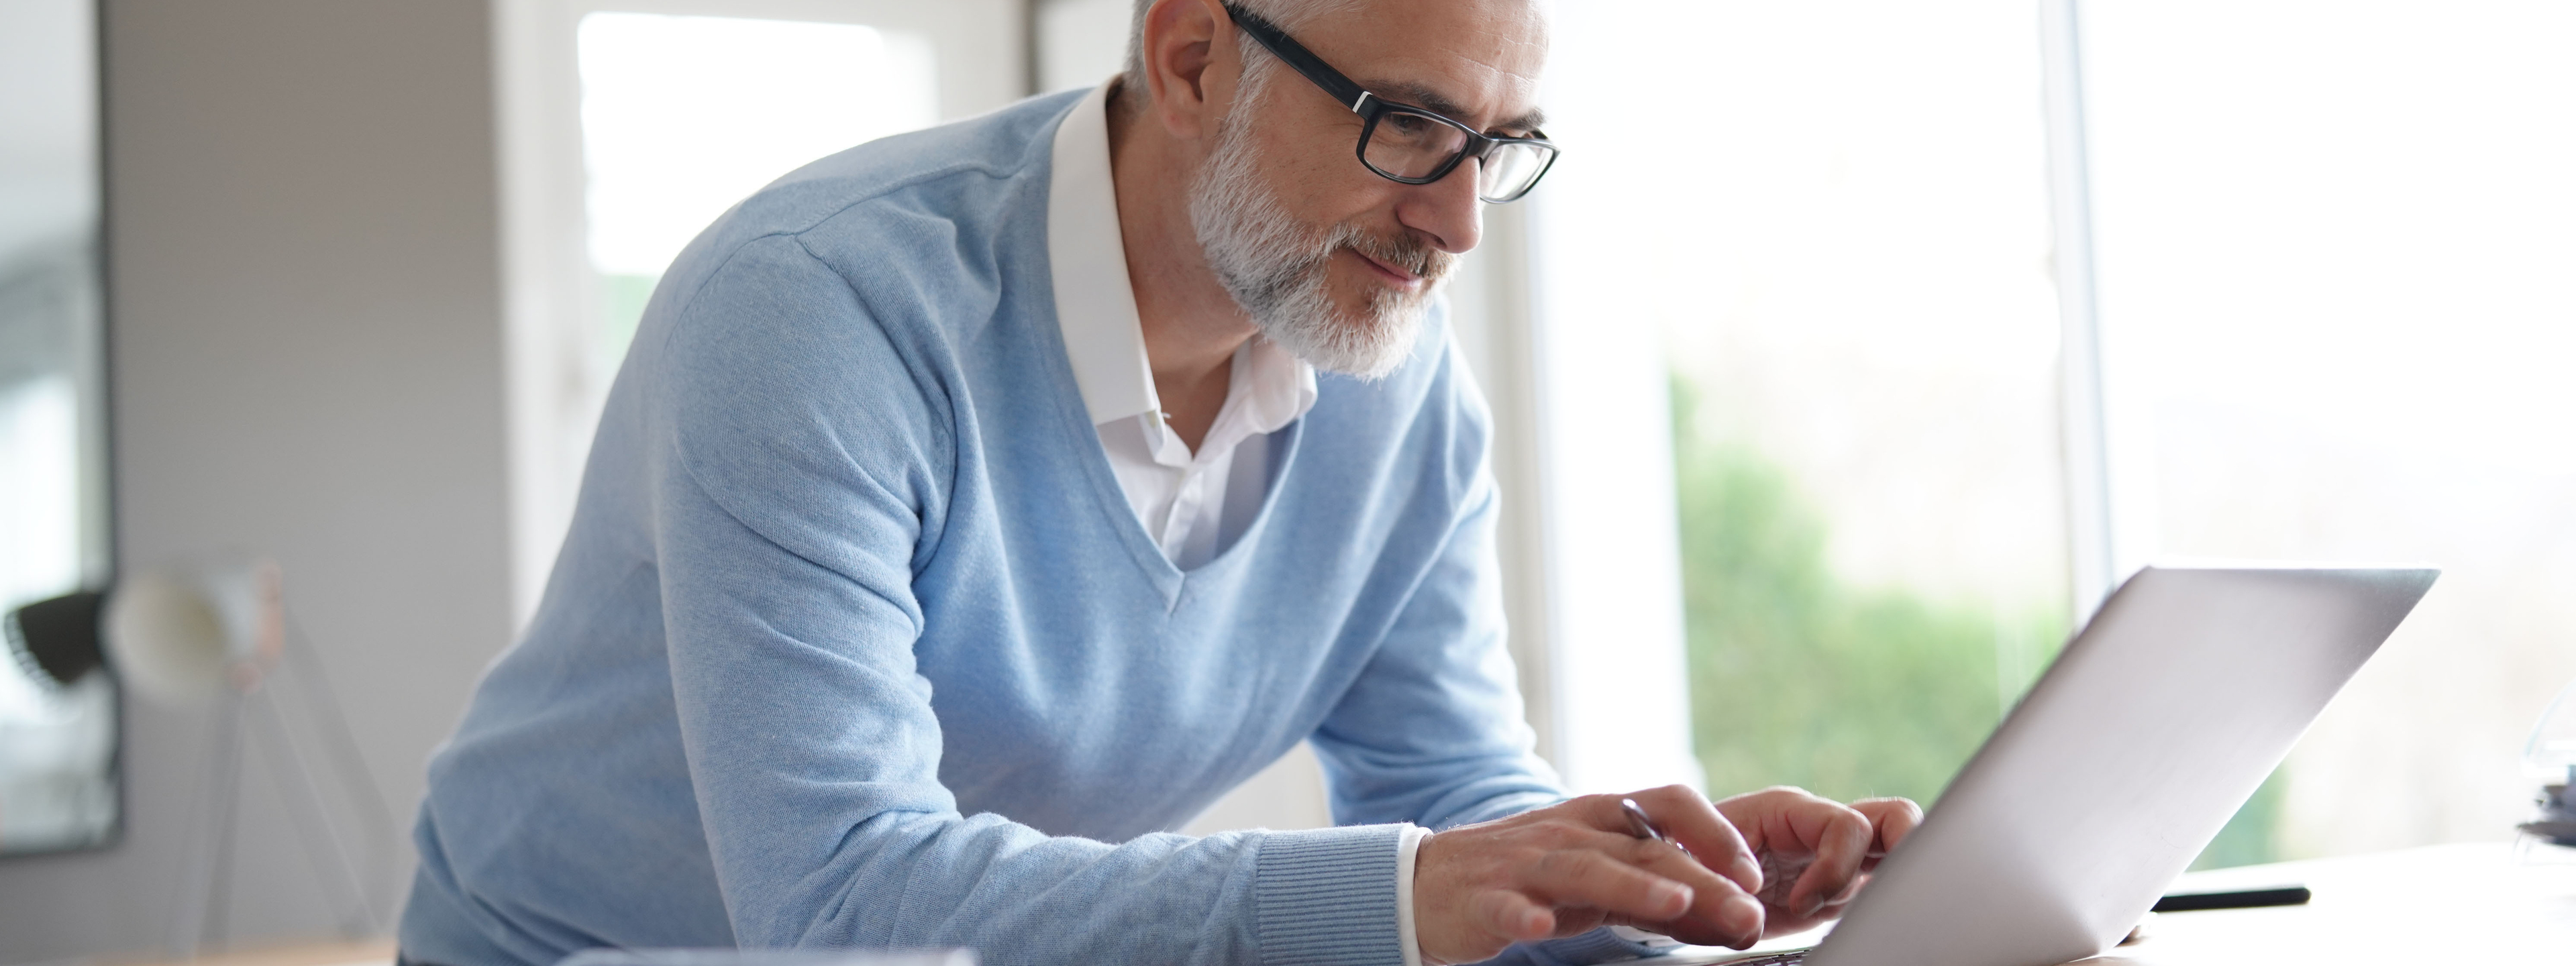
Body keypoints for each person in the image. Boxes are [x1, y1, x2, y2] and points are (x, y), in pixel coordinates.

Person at [397, 1, 1920, 965]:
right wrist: (1401, 898)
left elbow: (1455, 799)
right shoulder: (817, 316)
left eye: (1500, 147)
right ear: (1192, 55)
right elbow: (845, 901)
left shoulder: (1392, 382)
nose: (1458, 223)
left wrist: (1663, 891)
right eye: (1408, 128)